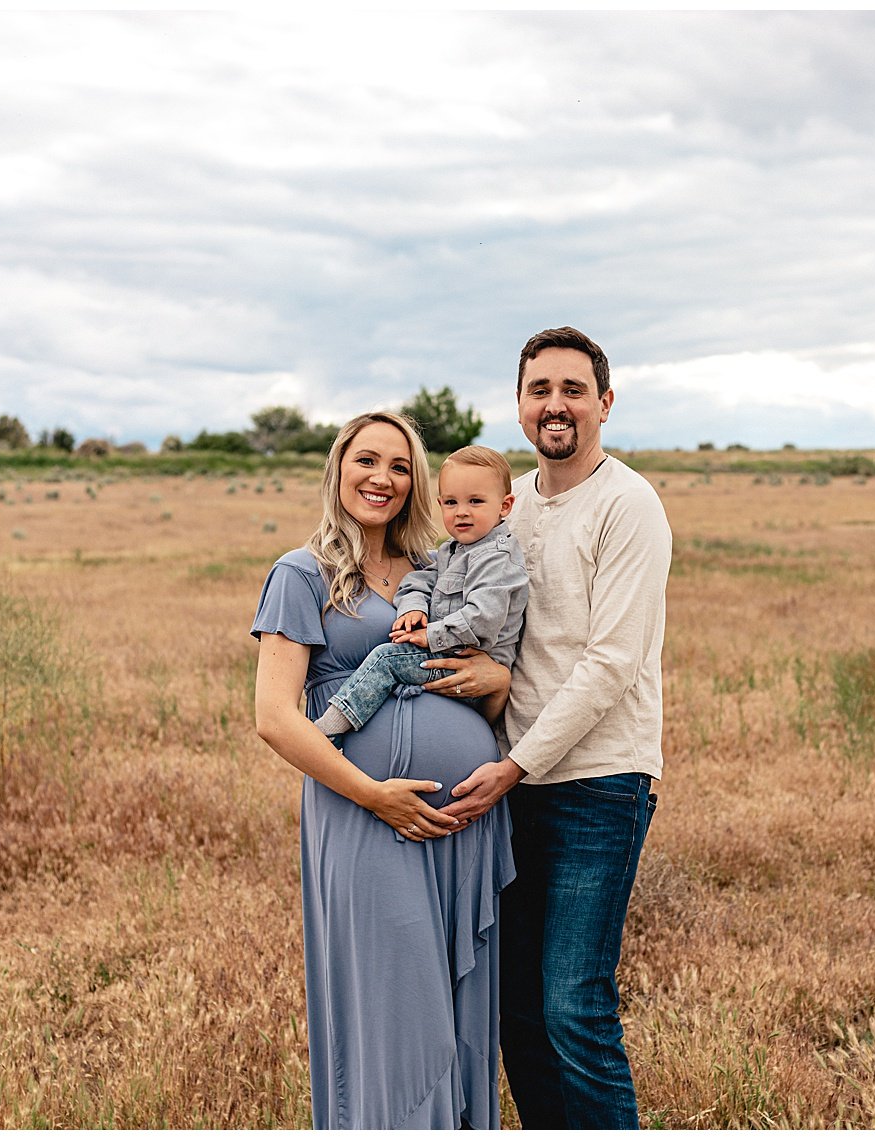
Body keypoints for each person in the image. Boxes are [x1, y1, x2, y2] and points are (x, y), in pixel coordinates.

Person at [425, 327, 673, 1128]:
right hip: (511, 780)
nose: (555, 404)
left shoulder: (627, 504)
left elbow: (610, 663)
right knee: (517, 1012)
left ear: (604, 403)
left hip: (596, 782)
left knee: (573, 1006)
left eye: (573, 389)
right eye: (540, 390)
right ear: (521, 405)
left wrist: (514, 764)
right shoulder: (507, 505)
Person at [251, 412, 517, 1129]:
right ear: (338, 468)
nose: (383, 479)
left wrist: (490, 679)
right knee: (397, 1014)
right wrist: (375, 796)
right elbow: (276, 718)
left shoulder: (442, 568)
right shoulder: (300, 574)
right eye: (367, 461)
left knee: (460, 1011)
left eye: (400, 466)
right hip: (366, 817)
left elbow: (495, 681)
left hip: (464, 820)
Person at [312, 444, 528, 740]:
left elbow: (483, 620)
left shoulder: (496, 558)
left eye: (475, 501)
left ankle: (326, 731)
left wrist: (429, 635)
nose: (462, 512)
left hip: (470, 670)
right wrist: (412, 609)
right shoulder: (453, 551)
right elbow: (418, 581)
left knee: (387, 660)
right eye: (451, 503)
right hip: (450, 661)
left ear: (504, 506)